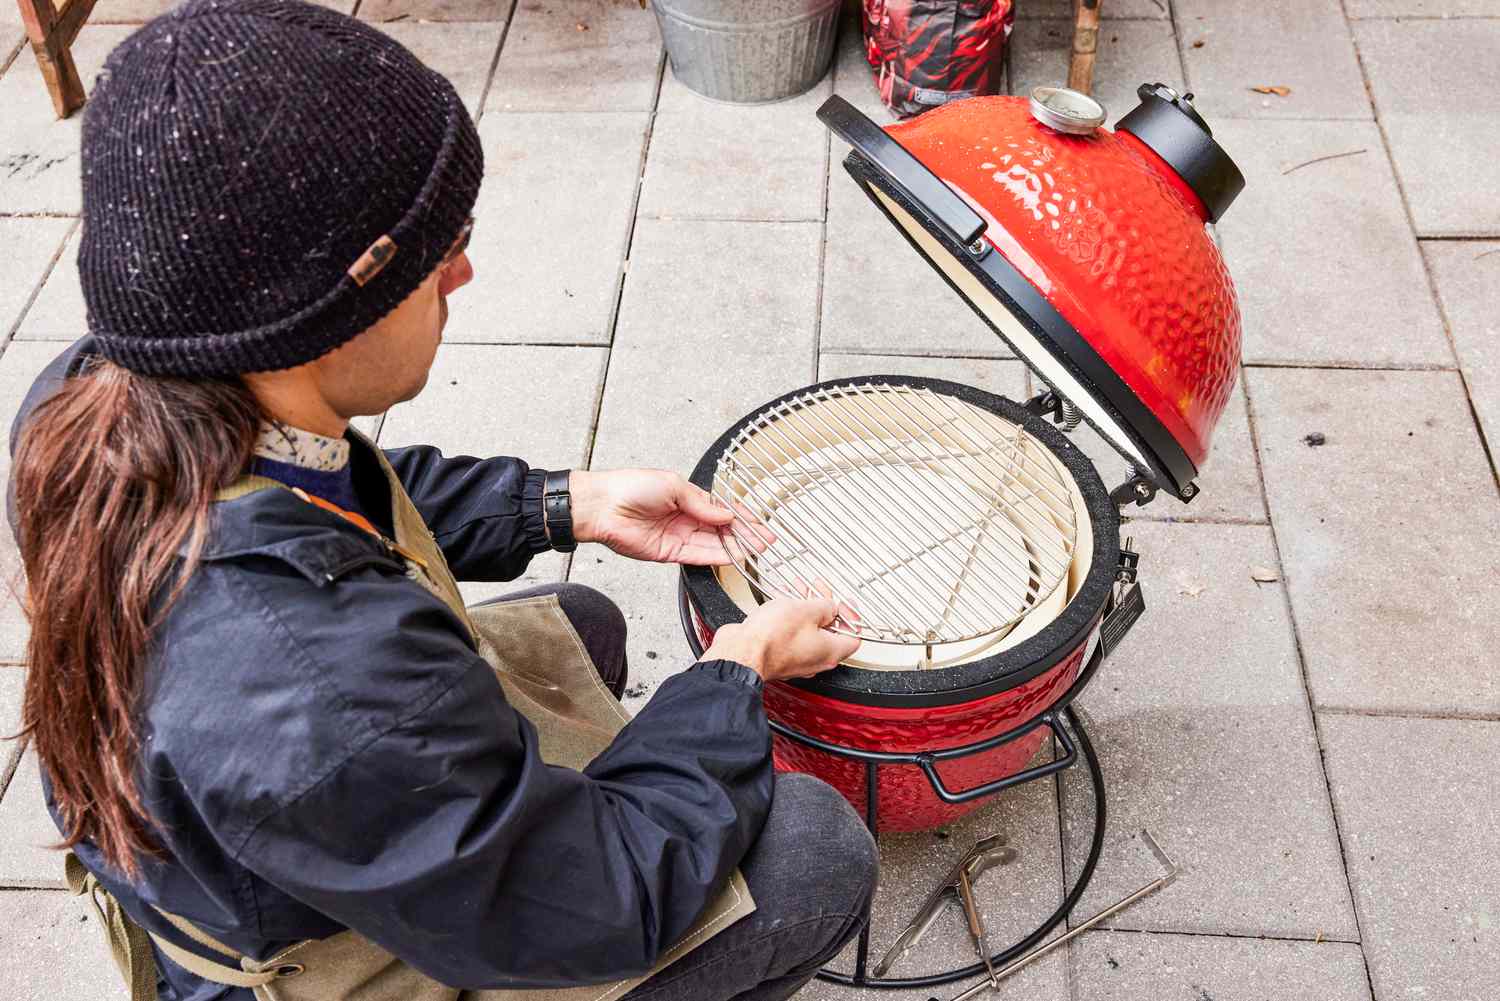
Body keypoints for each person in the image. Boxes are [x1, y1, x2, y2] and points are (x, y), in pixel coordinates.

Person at [4, 2, 879, 1000]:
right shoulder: (319, 687)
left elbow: (321, 491)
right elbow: (611, 894)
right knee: (813, 850)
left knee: (581, 622)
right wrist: (733, 671)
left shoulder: (115, 386)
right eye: (434, 256)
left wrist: (561, 504)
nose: (462, 270)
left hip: (278, 805)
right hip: (297, 948)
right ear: (317, 319)